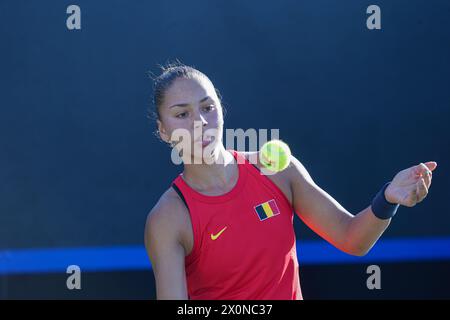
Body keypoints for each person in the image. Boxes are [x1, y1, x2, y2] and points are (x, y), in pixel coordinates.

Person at [144, 62, 437, 300]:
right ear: (163, 130)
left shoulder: (276, 169)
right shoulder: (168, 218)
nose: (201, 122)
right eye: (182, 114)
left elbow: (353, 239)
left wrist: (388, 199)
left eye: (207, 107)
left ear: (221, 107)